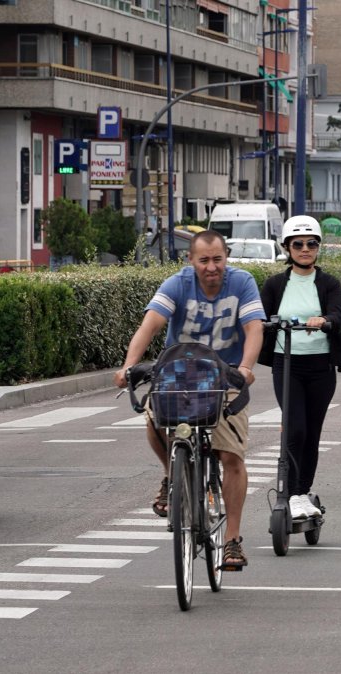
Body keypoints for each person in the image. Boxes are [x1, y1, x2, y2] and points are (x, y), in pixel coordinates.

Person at [114, 229, 264, 570]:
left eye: (217, 259)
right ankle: (172, 473)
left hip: (225, 376)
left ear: (226, 258)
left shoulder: (242, 283)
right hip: (179, 374)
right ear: (191, 261)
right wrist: (128, 366)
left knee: (231, 455)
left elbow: (255, 328)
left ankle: (232, 541)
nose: (211, 267)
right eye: (204, 260)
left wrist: (245, 368)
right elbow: (149, 326)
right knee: (152, 414)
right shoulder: (177, 284)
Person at [258, 215, 341, 520]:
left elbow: (339, 315)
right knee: (294, 428)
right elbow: (260, 318)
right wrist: (268, 324)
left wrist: (324, 321)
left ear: (318, 247)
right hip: (287, 365)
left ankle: (302, 492)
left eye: (312, 243)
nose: (305, 249)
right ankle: (290, 491)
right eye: (298, 244)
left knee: (311, 433)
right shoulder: (274, 284)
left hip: (320, 366)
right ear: (287, 248)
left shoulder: (329, 283)